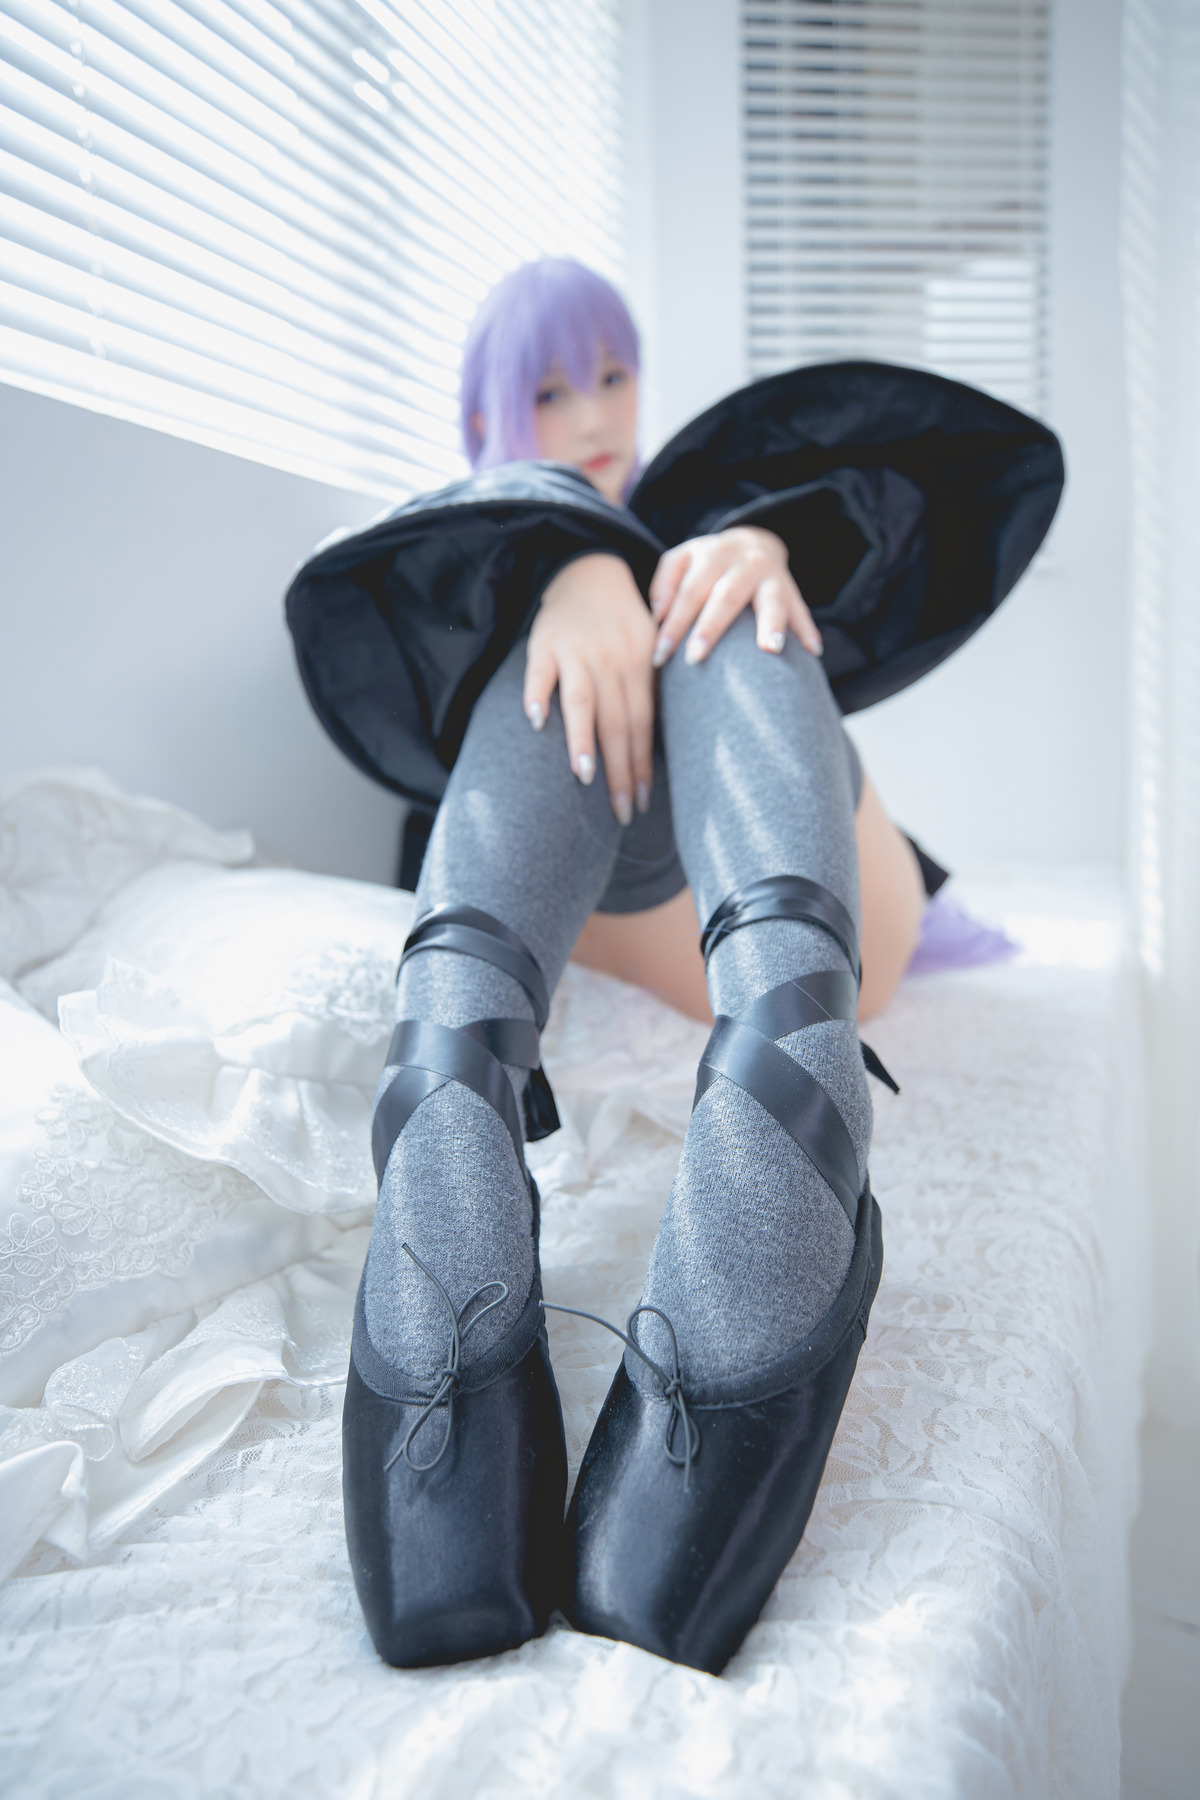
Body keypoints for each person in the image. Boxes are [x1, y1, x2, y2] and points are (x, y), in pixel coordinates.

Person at [288, 258, 1063, 1675]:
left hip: (827, 902)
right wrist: (558, 570)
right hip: (629, 900)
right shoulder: (452, 580)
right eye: (548, 391)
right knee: (567, 624)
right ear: (490, 410)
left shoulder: (715, 500)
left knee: (712, 581)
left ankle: (791, 1087)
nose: (593, 413)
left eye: (612, 375)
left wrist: (751, 547)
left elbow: (941, 485)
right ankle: (449, 1118)